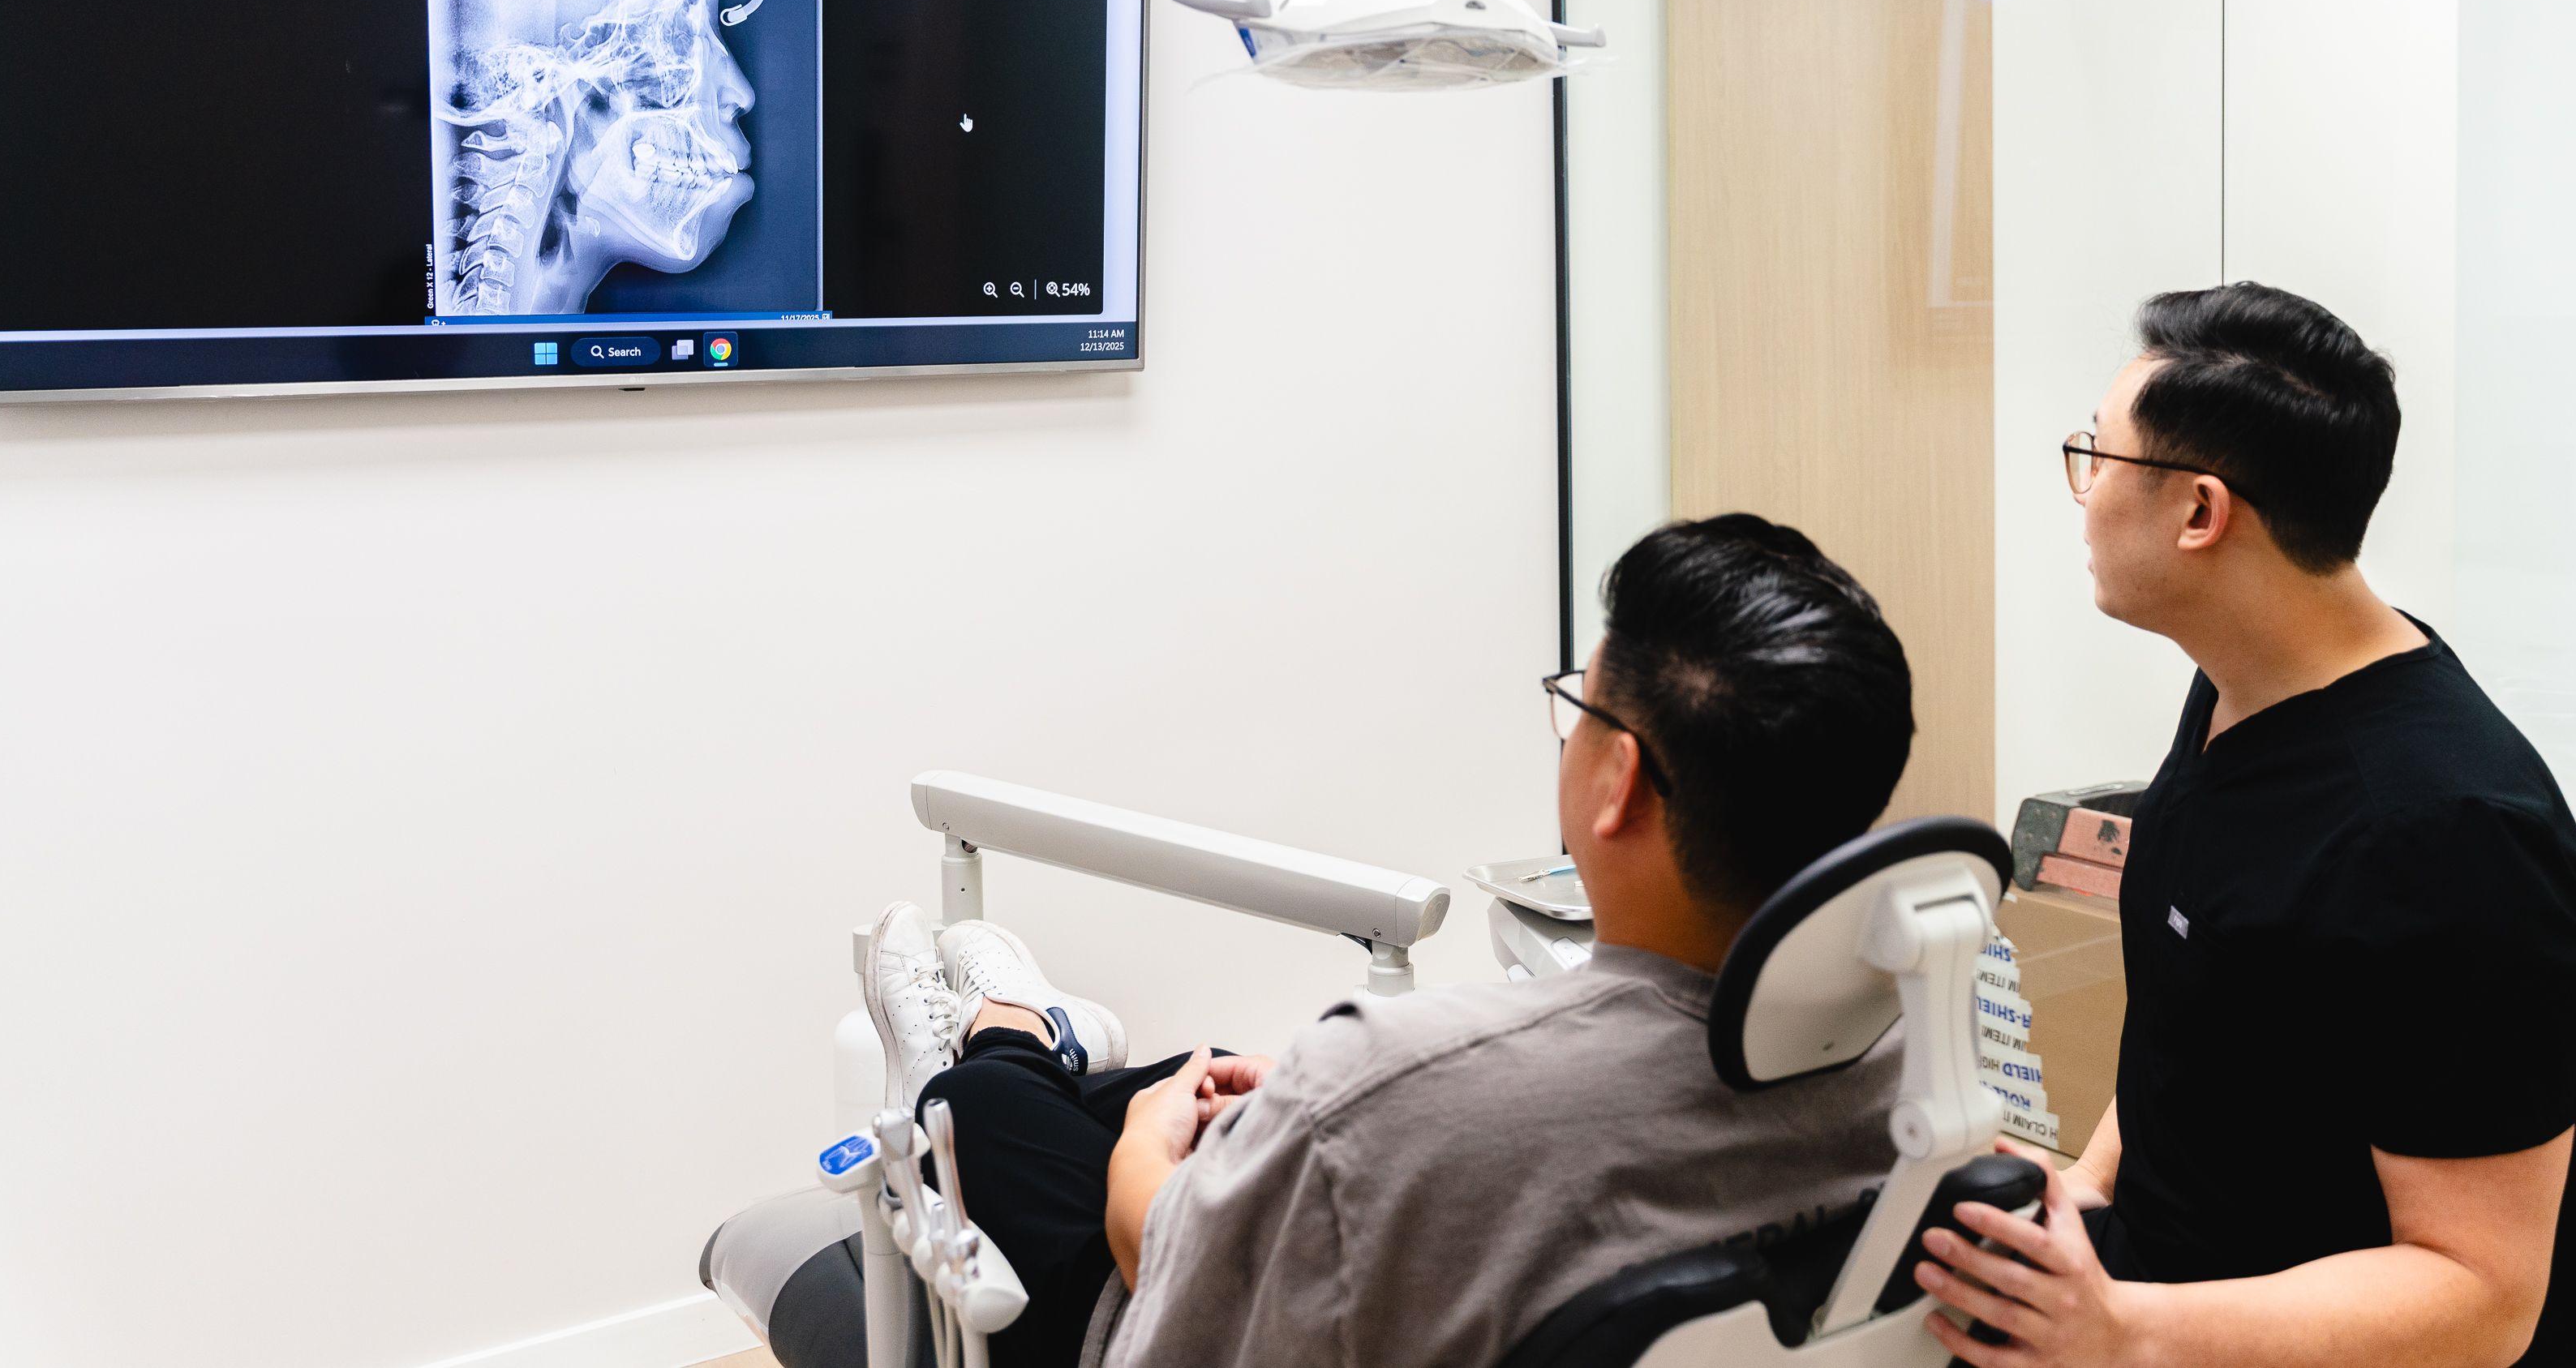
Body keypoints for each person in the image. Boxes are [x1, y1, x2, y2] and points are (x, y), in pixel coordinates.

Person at [706, 513, 1920, 1368]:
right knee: (1208, 1070)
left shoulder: (1384, 1089)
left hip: (1142, 1321)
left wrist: (1147, 1152)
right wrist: (1318, 1108)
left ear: (1618, 783)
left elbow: (1162, 1260)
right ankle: (1044, 1039)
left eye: (1577, 709)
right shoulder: (1900, 1071)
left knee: (1003, 1108)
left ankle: (995, 1038)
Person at [1914, 285, 2576, 1368]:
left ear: (2199, 512)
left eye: (2099, 454)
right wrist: (2084, 1192)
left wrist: (2126, 1328)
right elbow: (2205, 1013)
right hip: (2141, 1297)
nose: (2082, 490)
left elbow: (2482, 1297)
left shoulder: (2448, 833)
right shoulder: (2245, 681)